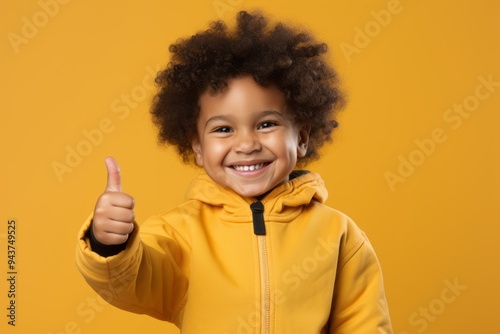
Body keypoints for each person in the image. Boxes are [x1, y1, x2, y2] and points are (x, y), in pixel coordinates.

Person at [75, 10, 393, 333]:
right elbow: (133, 279)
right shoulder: (181, 234)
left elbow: (365, 324)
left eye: (266, 124)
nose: (246, 144)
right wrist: (109, 242)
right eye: (224, 129)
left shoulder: (338, 235)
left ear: (302, 137)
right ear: (197, 146)